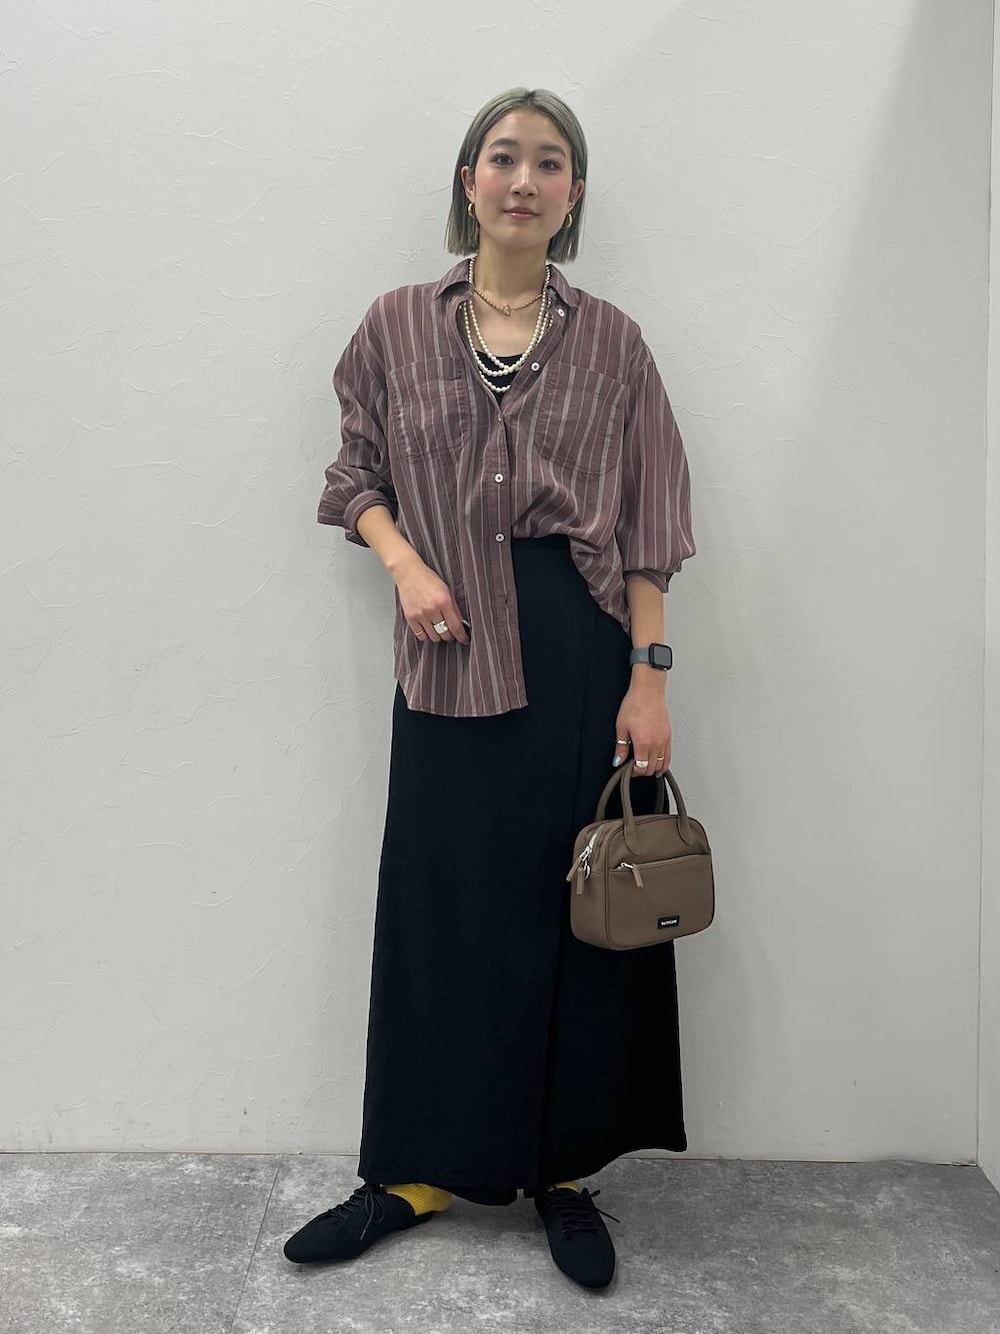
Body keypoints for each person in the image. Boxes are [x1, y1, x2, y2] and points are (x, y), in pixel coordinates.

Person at [284, 86, 696, 1292]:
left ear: (573, 195)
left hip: (578, 648)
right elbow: (353, 472)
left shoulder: (613, 342)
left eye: (549, 162)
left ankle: (564, 1171)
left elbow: (651, 520)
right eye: (503, 157)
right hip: (449, 641)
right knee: (442, 906)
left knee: (578, 905)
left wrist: (648, 676)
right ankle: (414, 1171)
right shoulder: (395, 325)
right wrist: (405, 562)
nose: (524, 179)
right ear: (468, 180)